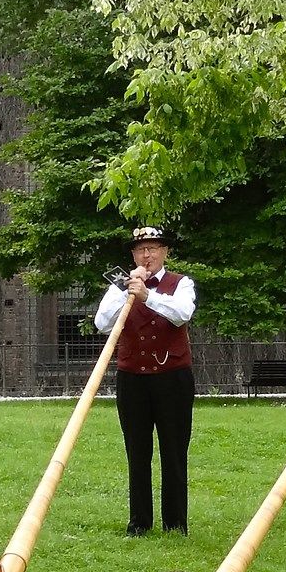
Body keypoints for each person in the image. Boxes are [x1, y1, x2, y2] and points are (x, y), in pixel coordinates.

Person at [96, 226, 195, 536]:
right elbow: (101, 323)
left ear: (165, 252)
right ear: (133, 255)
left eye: (153, 248)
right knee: (137, 452)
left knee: (174, 451)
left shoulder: (181, 283)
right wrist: (126, 291)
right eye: (140, 250)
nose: (147, 255)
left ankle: (175, 524)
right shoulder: (120, 286)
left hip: (173, 379)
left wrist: (148, 296)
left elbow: (181, 314)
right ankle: (139, 523)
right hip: (132, 378)